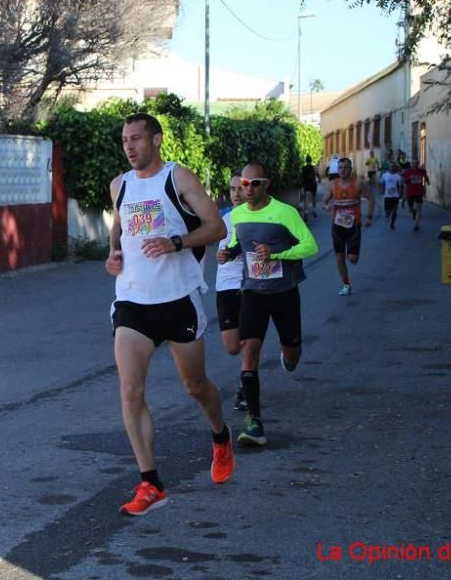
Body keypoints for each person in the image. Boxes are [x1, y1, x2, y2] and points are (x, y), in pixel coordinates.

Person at [106, 112, 233, 516]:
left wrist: (176, 241)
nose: (130, 146)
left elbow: (217, 228)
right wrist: (113, 253)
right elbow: (118, 228)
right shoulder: (119, 185)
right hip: (132, 301)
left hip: (178, 298)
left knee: (195, 387)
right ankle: (151, 482)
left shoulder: (179, 179)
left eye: (137, 138)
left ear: (156, 140)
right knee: (130, 390)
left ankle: (220, 434)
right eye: (126, 139)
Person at [219, 163, 318, 446]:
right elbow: (242, 244)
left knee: (293, 353)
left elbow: (310, 246)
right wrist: (229, 253)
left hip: (284, 292)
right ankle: (254, 422)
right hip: (253, 291)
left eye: (255, 183)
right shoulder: (237, 214)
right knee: (249, 349)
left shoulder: (286, 213)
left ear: (267, 185)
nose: (248, 189)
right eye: (245, 183)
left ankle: (289, 356)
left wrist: (276, 253)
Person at [217, 174, 247, 412]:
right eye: (232, 189)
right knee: (231, 347)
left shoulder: (257, 216)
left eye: (240, 188)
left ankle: (245, 387)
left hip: (250, 284)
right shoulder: (220, 218)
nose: (236, 193)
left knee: (248, 340)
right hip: (225, 285)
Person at [323, 158, 375, 295]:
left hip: (354, 226)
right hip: (337, 226)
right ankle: (346, 285)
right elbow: (325, 201)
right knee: (339, 257)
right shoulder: (333, 185)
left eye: (346, 167)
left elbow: (371, 199)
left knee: (352, 259)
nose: (343, 170)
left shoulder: (358, 184)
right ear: (337, 170)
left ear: (350, 169)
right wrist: (326, 206)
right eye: (340, 167)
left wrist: (369, 217)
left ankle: (351, 253)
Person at [401, 160, 429, 231]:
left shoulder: (422, 171)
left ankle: (416, 225)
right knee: (410, 209)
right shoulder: (407, 171)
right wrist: (408, 179)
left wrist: (427, 181)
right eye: (412, 163)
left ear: (418, 164)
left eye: (415, 163)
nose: (414, 164)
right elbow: (403, 181)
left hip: (419, 192)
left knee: (419, 209)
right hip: (410, 192)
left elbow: (426, 177)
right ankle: (414, 211)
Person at [381, 163, 404, 230]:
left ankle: (392, 223)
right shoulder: (385, 175)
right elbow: (382, 183)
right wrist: (382, 190)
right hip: (387, 196)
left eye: (393, 167)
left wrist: (399, 194)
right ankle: (389, 211)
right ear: (389, 168)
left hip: (395, 196)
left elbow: (400, 186)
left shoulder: (398, 176)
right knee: (387, 213)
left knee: (395, 211)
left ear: (395, 168)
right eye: (391, 167)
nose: (392, 168)